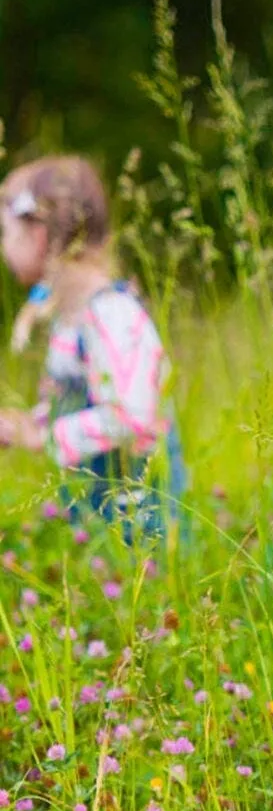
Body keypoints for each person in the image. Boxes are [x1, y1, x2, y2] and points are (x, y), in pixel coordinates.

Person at [0, 156, 186, 545]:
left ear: (38, 236)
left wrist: (46, 437)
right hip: (98, 517)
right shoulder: (72, 316)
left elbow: (132, 415)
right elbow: (80, 402)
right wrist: (28, 424)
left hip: (138, 518)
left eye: (4, 232)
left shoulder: (110, 314)